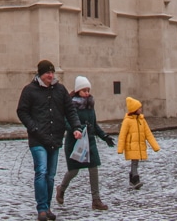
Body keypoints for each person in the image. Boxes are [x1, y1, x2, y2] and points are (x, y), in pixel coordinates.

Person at [17, 60, 83, 221]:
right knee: (41, 171)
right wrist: (33, 127)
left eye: (52, 73)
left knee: (51, 176)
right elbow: (22, 111)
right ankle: (41, 209)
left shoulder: (60, 89)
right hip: (38, 139)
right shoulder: (29, 90)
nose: (51, 75)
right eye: (48, 73)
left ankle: (47, 207)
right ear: (40, 74)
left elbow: (70, 110)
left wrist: (76, 127)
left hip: (55, 138)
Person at [55, 76, 114, 211]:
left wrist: (104, 136)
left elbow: (94, 124)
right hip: (75, 142)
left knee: (93, 168)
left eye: (88, 90)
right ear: (78, 91)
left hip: (90, 142)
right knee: (74, 171)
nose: (87, 93)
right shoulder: (71, 105)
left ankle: (96, 200)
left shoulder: (90, 105)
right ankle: (61, 188)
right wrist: (77, 129)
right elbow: (67, 122)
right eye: (84, 90)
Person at [116, 96, 160, 189]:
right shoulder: (127, 121)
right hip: (131, 146)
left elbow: (148, 134)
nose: (141, 109)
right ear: (134, 109)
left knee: (135, 162)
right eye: (139, 108)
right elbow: (122, 135)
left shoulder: (142, 120)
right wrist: (120, 148)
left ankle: (132, 178)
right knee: (134, 162)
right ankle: (135, 179)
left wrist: (155, 146)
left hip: (139, 146)